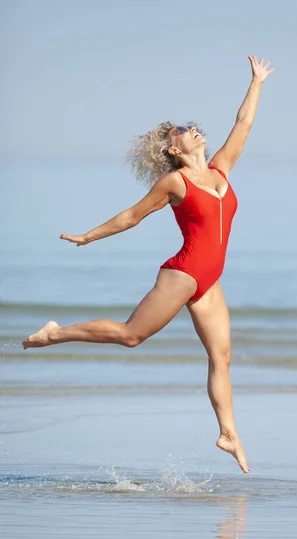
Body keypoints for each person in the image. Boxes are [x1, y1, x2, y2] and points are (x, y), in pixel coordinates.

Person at [22, 55, 275, 473]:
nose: (195, 129)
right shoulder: (174, 182)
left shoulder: (221, 170)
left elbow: (243, 124)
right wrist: (88, 236)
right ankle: (55, 334)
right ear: (175, 150)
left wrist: (257, 82)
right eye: (184, 131)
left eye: (194, 126)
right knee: (130, 336)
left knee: (222, 356)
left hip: (210, 280)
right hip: (185, 272)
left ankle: (228, 433)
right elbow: (131, 216)